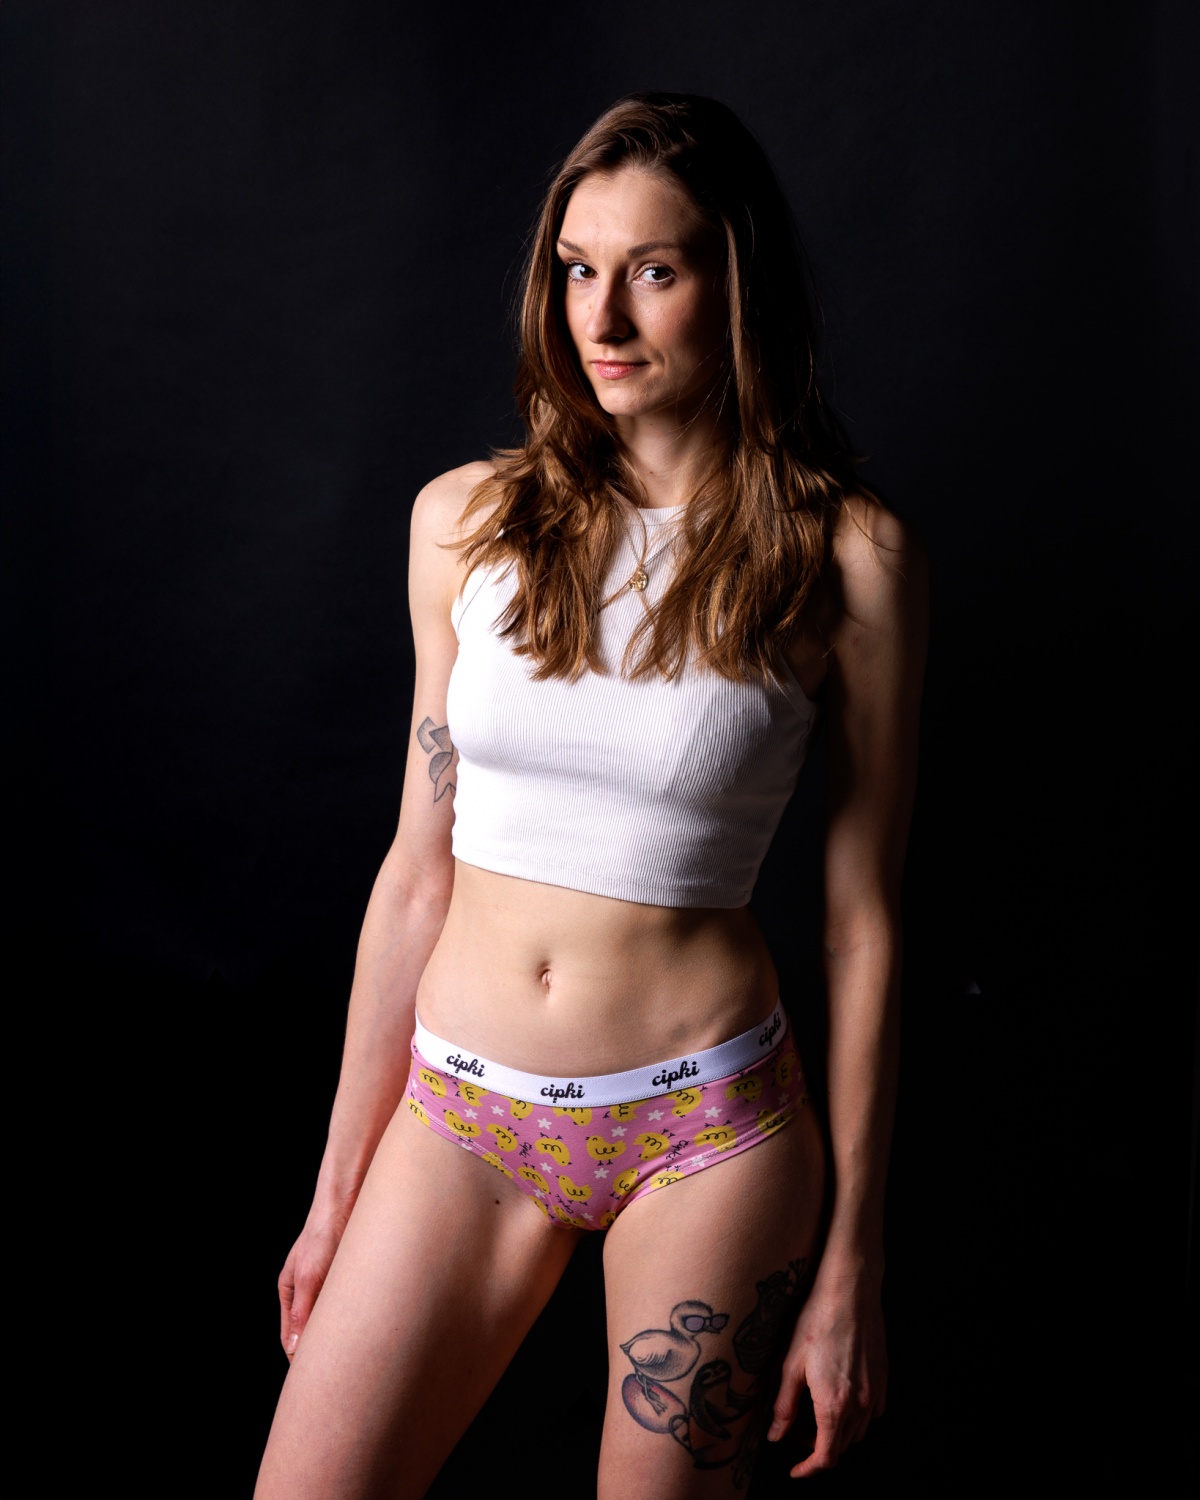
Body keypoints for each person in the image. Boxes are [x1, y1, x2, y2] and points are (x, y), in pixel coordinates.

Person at [255, 92, 926, 1499]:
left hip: (707, 1135)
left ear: (737, 287)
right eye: (577, 269)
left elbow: (861, 921)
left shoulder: (845, 558)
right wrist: (334, 1191)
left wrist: (853, 1262)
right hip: (461, 1114)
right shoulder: (466, 525)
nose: (602, 319)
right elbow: (417, 874)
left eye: (654, 271)